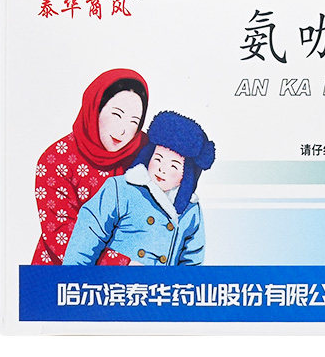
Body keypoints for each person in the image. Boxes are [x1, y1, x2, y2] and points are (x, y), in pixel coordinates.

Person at [63, 111, 215, 266]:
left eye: (173, 166)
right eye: (158, 159)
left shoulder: (191, 210)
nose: (162, 169)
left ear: (187, 175)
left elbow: (192, 260)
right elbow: (88, 234)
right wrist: (74, 275)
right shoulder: (120, 189)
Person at [32, 69, 149, 265]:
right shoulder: (56, 159)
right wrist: (123, 263)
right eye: (117, 115)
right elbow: (61, 234)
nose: (122, 130)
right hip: (63, 270)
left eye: (134, 122)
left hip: (134, 271)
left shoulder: (143, 152)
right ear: (96, 108)